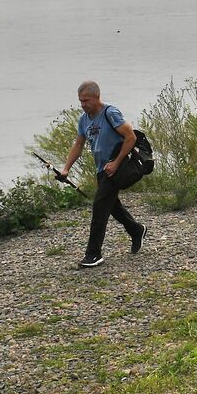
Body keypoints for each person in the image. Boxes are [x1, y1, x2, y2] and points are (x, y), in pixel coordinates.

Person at [58, 80, 146, 268]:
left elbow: (131, 138)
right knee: (113, 207)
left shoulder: (110, 113)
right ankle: (136, 230)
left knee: (99, 209)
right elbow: (78, 145)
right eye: (80, 101)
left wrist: (116, 162)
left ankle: (93, 254)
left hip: (115, 169)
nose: (83, 104)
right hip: (102, 170)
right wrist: (66, 168)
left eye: (86, 100)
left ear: (97, 97)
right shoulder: (83, 119)